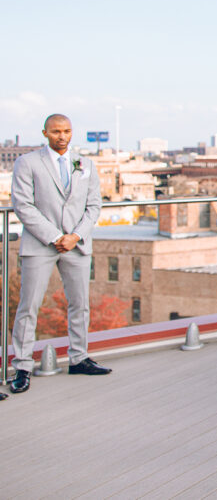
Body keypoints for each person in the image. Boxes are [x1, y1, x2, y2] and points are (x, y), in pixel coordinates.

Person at [9, 114, 111, 395]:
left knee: (80, 304)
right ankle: (22, 366)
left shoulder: (86, 164)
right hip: (42, 244)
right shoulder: (27, 162)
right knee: (29, 307)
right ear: (45, 133)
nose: (62, 136)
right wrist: (56, 237)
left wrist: (75, 236)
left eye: (66, 131)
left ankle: (79, 358)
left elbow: (94, 207)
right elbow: (23, 205)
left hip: (77, 244)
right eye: (56, 132)